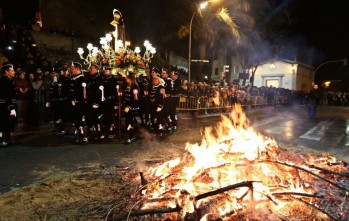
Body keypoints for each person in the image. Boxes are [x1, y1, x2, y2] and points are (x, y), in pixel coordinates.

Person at [68, 62, 89, 144]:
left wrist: (78, 100)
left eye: (72, 69)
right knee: (76, 120)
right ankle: (80, 135)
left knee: (82, 120)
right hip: (73, 103)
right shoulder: (72, 78)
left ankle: (85, 136)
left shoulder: (83, 79)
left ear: (77, 69)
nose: (71, 70)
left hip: (81, 103)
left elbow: (84, 93)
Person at [0, 63, 17, 147]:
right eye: (12, 70)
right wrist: (11, 107)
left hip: (6, 105)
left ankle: (8, 139)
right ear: (6, 71)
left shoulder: (8, 80)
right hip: (5, 106)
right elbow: (7, 95)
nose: (14, 72)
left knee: (8, 122)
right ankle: (2, 140)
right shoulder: (5, 81)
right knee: (4, 123)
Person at [123, 71, 139, 144]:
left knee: (129, 121)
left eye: (127, 77)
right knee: (127, 121)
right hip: (127, 105)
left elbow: (135, 99)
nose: (125, 78)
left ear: (130, 78)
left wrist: (129, 106)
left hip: (131, 106)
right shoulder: (127, 85)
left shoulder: (134, 87)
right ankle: (131, 136)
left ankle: (131, 137)